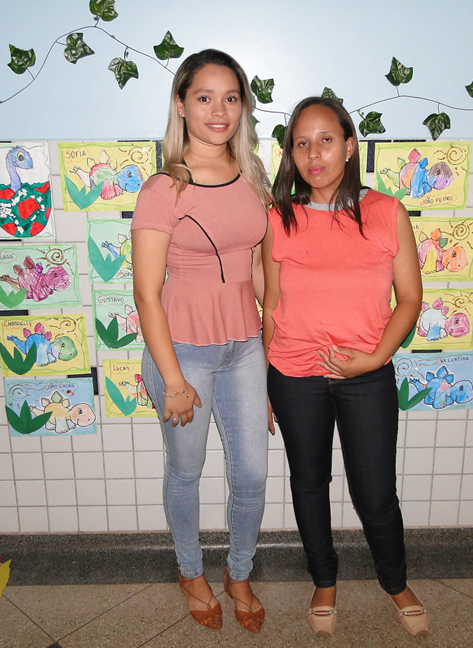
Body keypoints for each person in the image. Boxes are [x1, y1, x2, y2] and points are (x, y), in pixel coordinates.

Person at [262, 97, 429, 638]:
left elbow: (410, 299)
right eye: (302, 143)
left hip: (367, 374)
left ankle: (396, 583)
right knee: (309, 483)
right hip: (294, 374)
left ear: (350, 146)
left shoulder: (386, 211)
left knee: (375, 494)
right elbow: (271, 303)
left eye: (326, 140)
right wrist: (267, 384)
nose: (314, 155)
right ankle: (324, 582)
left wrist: (375, 358)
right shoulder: (279, 217)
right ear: (291, 153)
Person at [131, 49, 272, 633]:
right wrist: (172, 380)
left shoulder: (254, 176)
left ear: (243, 107)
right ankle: (191, 571)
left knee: (253, 474)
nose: (219, 111)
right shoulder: (165, 187)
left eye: (231, 98)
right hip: (182, 353)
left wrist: (275, 359)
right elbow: (146, 293)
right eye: (205, 97)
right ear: (182, 105)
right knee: (186, 470)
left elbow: (258, 272)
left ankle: (239, 573)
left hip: (245, 349)